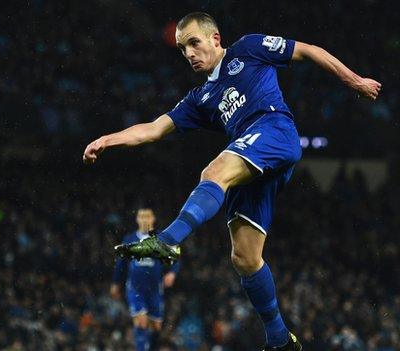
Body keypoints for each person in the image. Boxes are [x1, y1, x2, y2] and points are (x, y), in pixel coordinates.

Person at [83, 12, 381, 351]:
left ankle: (167, 239)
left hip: (274, 130)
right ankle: (280, 339)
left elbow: (308, 50)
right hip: (252, 159)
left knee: (213, 173)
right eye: (183, 49)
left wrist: (354, 80)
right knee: (245, 258)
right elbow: (152, 129)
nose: (190, 54)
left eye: (194, 43)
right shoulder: (200, 98)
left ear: (215, 38)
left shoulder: (249, 49)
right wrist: (108, 138)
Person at [111, 208, 178, 351]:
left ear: (153, 219)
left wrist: (172, 273)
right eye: (141, 217)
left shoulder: (161, 237)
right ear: (137, 219)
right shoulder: (129, 239)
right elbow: (120, 263)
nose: (144, 219)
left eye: (147, 216)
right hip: (136, 288)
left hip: (154, 288)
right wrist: (115, 283)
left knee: (156, 327)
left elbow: (175, 257)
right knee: (141, 322)